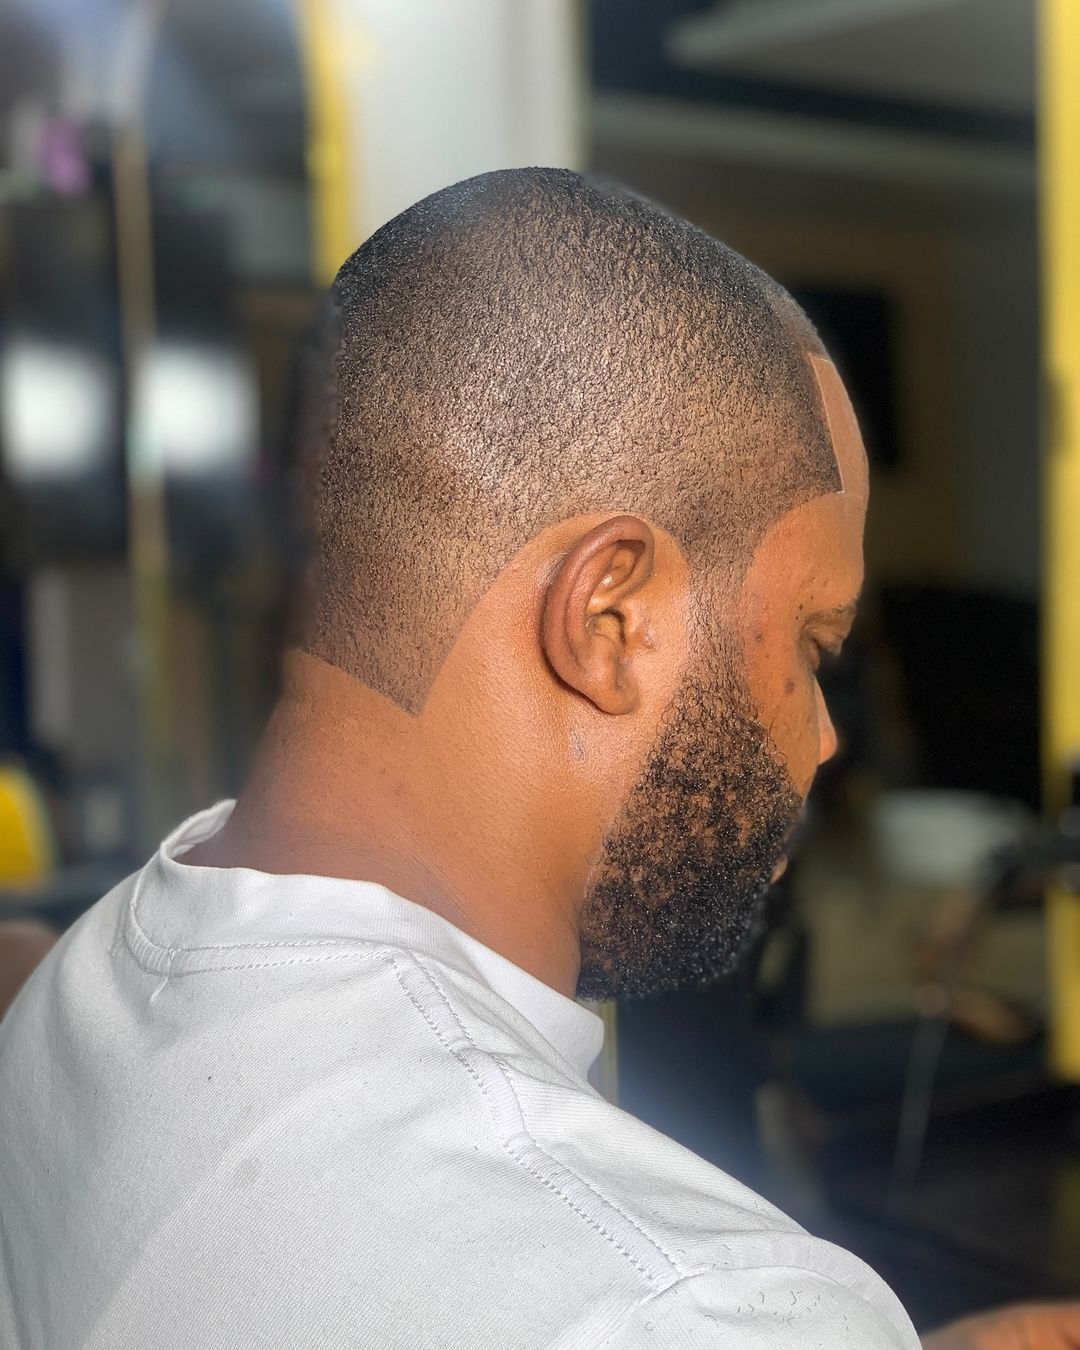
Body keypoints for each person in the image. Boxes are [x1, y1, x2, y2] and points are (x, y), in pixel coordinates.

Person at [0, 169, 1074, 1348]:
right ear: (610, 619)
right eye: (813, 645)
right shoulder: (681, 1305)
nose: (824, 735)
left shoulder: (78, 994)